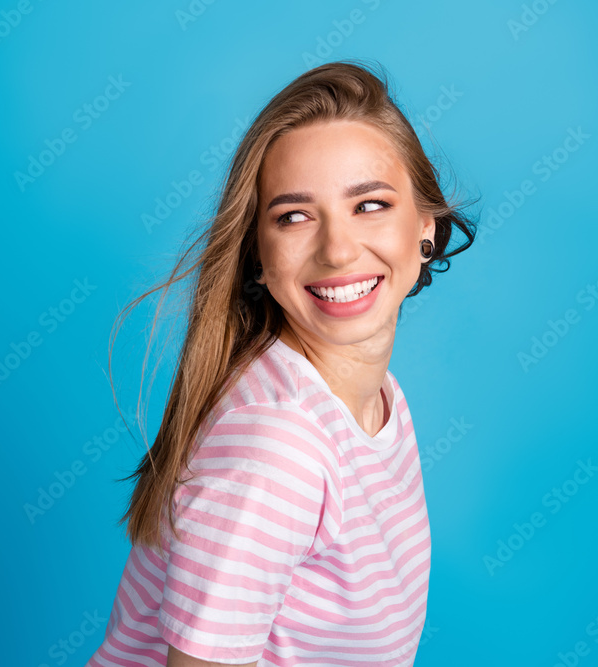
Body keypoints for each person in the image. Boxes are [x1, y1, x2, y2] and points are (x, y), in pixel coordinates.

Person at [86, 59, 477, 667]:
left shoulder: (373, 397)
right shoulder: (279, 447)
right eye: (294, 217)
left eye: (369, 204)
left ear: (424, 227)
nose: (338, 249)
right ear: (258, 257)